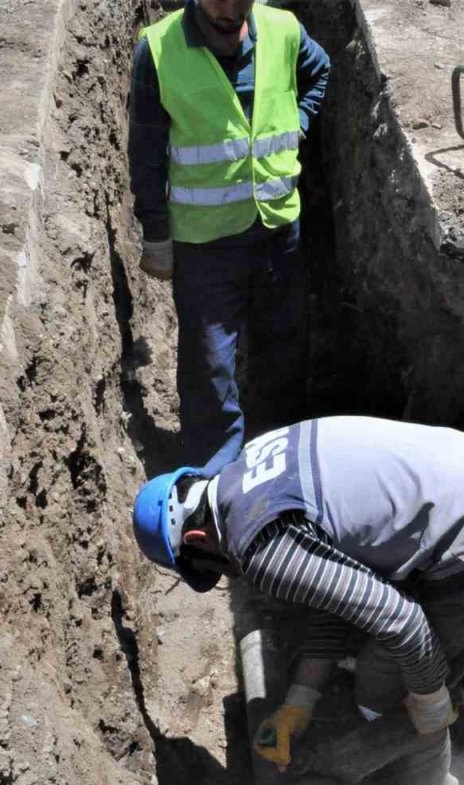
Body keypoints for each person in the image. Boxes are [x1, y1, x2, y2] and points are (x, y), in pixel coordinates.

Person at [132, 416, 464, 785]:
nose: (226, 574)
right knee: (402, 676)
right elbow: (343, 582)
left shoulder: (259, 546)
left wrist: (429, 698)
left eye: (206, 568)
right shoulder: (256, 461)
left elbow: (402, 621)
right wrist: (301, 700)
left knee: (384, 687)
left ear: (197, 538)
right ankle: (418, 747)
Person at [128, 0, 330, 475]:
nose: (228, 8)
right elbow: (146, 151)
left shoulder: (284, 30)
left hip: (280, 229)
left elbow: (320, 73)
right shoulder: (158, 51)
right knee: (210, 367)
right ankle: (213, 483)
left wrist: (299, 122)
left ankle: (281, 461)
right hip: (205, 244)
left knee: (283, 347)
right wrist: (156, 233)